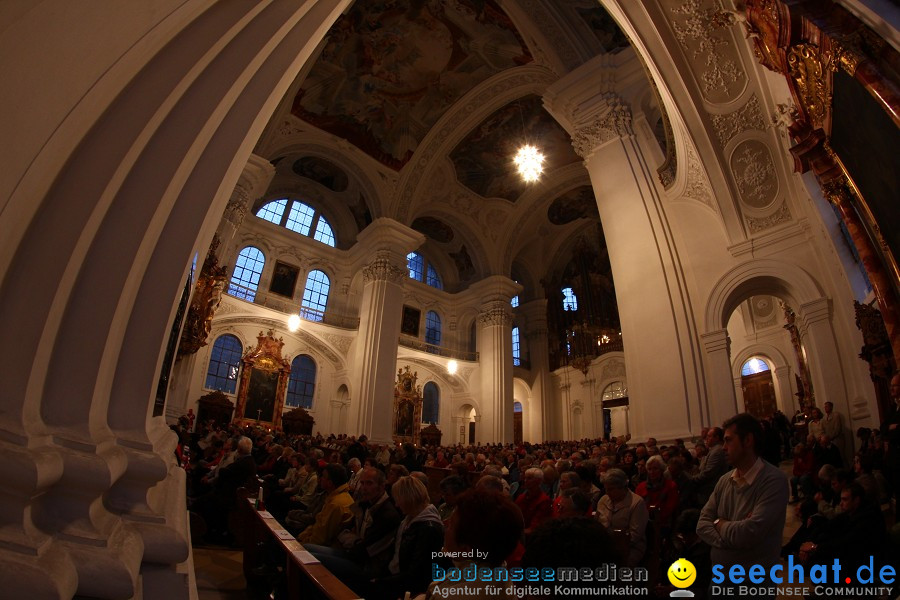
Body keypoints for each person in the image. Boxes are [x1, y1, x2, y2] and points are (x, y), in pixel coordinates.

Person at [697, 413, 789, 598]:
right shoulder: (725, 480)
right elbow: (702, 524)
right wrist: (731, 533)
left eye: (729, 441)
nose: (723, 448)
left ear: (747, 440)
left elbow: (749, 532)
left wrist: (719, 523)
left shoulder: (773, 481)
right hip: (719, 578)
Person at [371, 476, 444, 600]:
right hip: (395, 577)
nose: (396, 504)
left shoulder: (429, 528)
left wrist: (380, 582)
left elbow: (417, 573)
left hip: (409, 589)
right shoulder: (408, 520)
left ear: (408, 499)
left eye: (398, 500)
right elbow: (395, 555)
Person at [596, 468, 648, 567]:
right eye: (606, 489)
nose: (607, 492)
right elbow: (597, 524)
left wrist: (612, 546)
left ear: (623, 487)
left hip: (629, 547)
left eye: (611, 489)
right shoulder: (604, 500)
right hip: (604, 545)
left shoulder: (637, 503)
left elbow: (635, 534)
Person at [297, 463, 354, 546]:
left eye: (323, 476)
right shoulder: (336, 497)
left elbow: (320, 538)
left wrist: (300, 543)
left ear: (330, 483)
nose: (320, 479)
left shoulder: (336, 504)